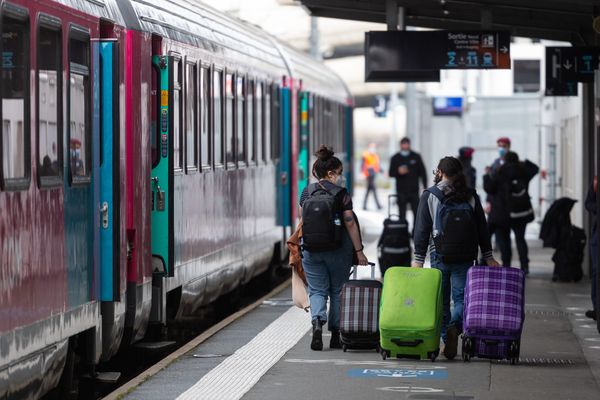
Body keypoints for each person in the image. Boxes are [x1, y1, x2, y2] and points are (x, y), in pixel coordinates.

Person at [412, 156, 499, 360]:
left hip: (439, 254)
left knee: (441, 300)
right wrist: (488, 256)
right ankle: (455, 326)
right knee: (462, 298)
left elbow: (422, 229)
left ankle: (445, 339)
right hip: (466, 255)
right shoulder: (470, 195)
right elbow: (482, 228)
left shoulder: (430, 195)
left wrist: (418, 258)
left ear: (440, 172)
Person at [299, 145, 369, 351]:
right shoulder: (342, 194)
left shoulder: (307, 192)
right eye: (339, 174)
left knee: (317, 291)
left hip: (311, 250)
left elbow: (302, 220)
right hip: (339, 250)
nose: (341, 177)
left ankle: (317, 325)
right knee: (339, 291)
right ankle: (336, 335)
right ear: (330, 173)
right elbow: (349, 221)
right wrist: (359, 251)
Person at [483, 151, 539, 274]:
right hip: (521, 213)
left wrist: (486, 175)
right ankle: (525, 266)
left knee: (505, 241)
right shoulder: (523, 171)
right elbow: (535, 168)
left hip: (503, 214)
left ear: (505, 160)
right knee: (520, 240)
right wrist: (523, 162)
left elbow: (489, 188)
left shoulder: (500, 171)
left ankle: (507, 265)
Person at [388, 137, 427, 222]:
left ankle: (415, 233)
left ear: (409, 145)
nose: (405, 146)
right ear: (400, 145)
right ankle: (403, 233)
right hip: (401, 191)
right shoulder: (395, 158)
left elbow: (423, 172)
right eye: (403, 144)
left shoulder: (416, 157)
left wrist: (425, 186)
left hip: (414, 191)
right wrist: (398, 172)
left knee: (416, 213)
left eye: (407, 144)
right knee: (402, 213)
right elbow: (391, 173)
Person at [584, 177, 598, 321]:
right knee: (596, 270)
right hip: (597, 232)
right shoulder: (595, 180)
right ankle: (596, 308)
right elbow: (588, 203)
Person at [361, 142, 382, 210]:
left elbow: (377, 166)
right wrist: (363, 173)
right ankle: (378, 205)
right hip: (368, 175)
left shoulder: (375, 156)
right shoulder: (365, 155)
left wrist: (383, 172)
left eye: (374, 147)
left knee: (369, 190)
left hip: (373, 174)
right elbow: (362, 165)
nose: (373, 148)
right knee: (373, 189)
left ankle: (364, 205)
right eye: (371, 147)